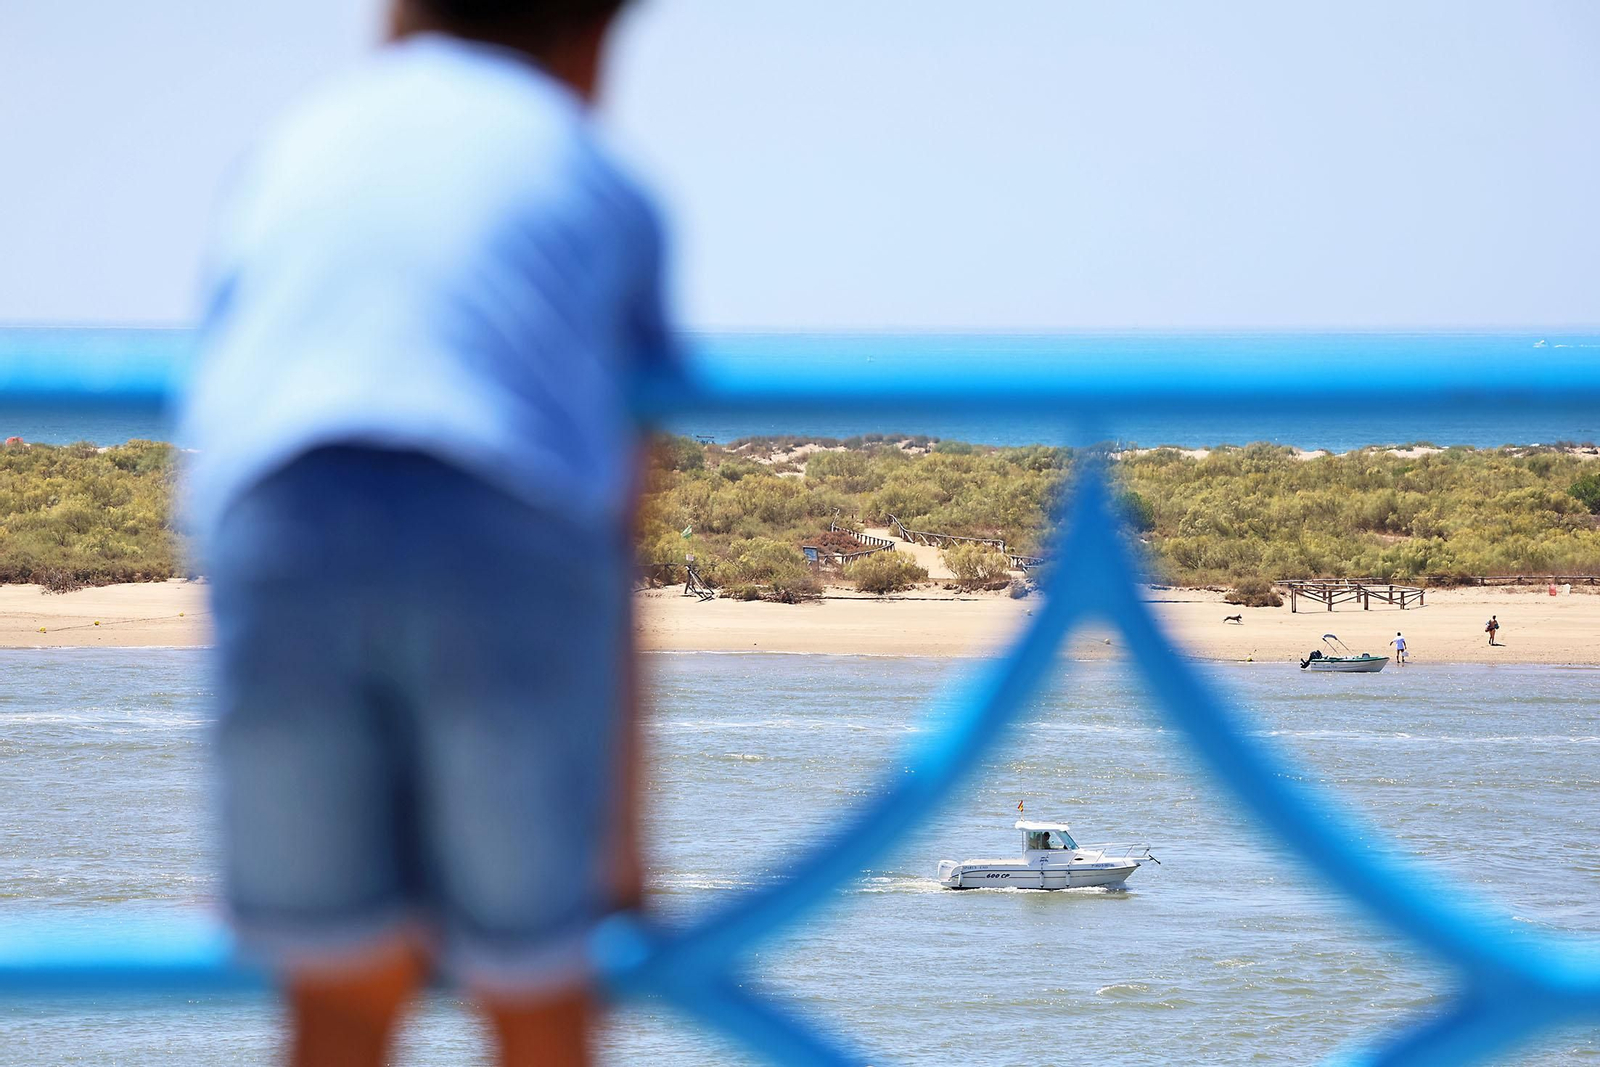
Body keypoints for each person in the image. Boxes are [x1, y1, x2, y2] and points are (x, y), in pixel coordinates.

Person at [179, 2, 666, 1065]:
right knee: (539, 988)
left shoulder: (295, 142)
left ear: (393, 20)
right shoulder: (593, 171)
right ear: (594, 45)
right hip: (499, 530)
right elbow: (627, 488)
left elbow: (223, 403)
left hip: (281, 521)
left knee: (337, 989)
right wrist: (624, 835)